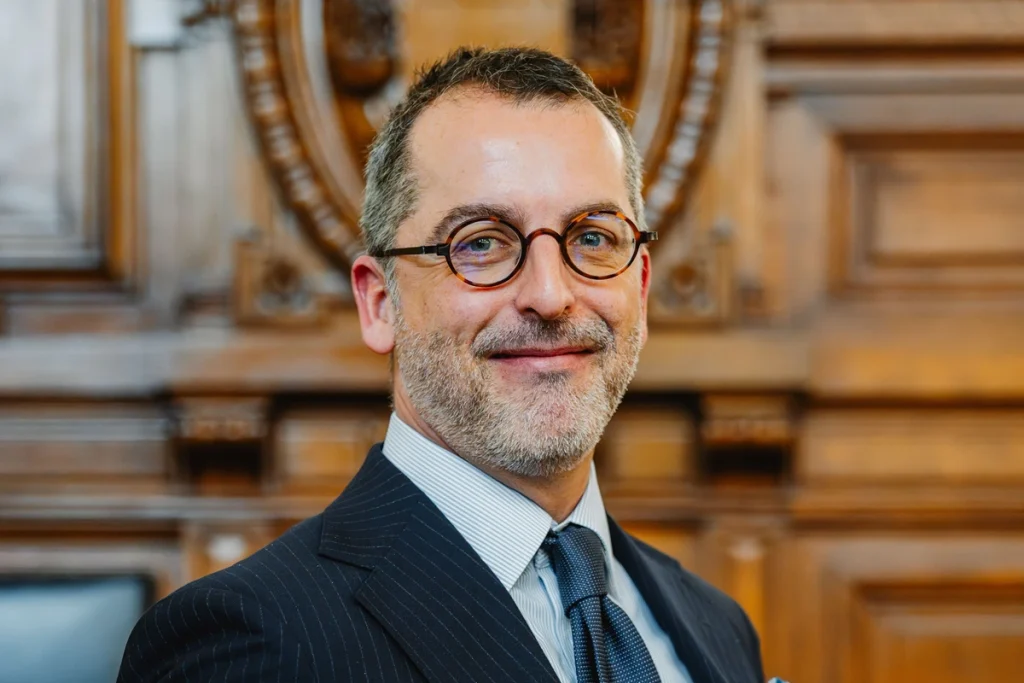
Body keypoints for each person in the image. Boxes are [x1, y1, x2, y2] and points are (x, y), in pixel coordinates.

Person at [118, 46, 766, 683]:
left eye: (592, 237)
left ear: (641, 288)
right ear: (380, 303)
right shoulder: (248, 643)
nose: (550, 294)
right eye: (480, 242)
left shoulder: (716, 625)